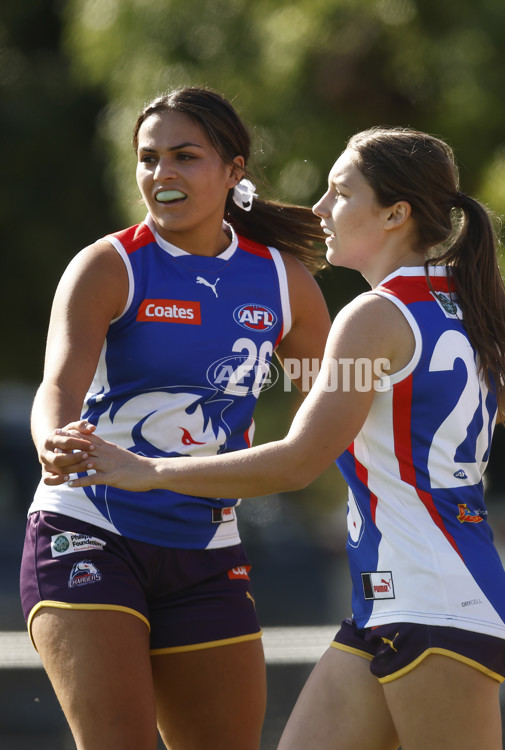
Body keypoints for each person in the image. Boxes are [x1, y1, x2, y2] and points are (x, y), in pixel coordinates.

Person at [54, 127, 505, 750]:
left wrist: (149, 470)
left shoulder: (374, 316)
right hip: (384, 603)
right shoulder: (483, 308)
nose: (321, 209)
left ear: (395, 213)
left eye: (338, 192)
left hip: (438, 598)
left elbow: (298, 461)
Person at [20, 86, 331, 750]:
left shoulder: (285, 284)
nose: (162, 174)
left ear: (234, 170)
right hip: (88, 530)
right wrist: (52, 440)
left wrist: (497, 371)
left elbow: (339, 402)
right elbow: (57, 387)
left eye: (185, 157)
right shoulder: (109, 266)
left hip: (206, 551)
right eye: (149, 158)